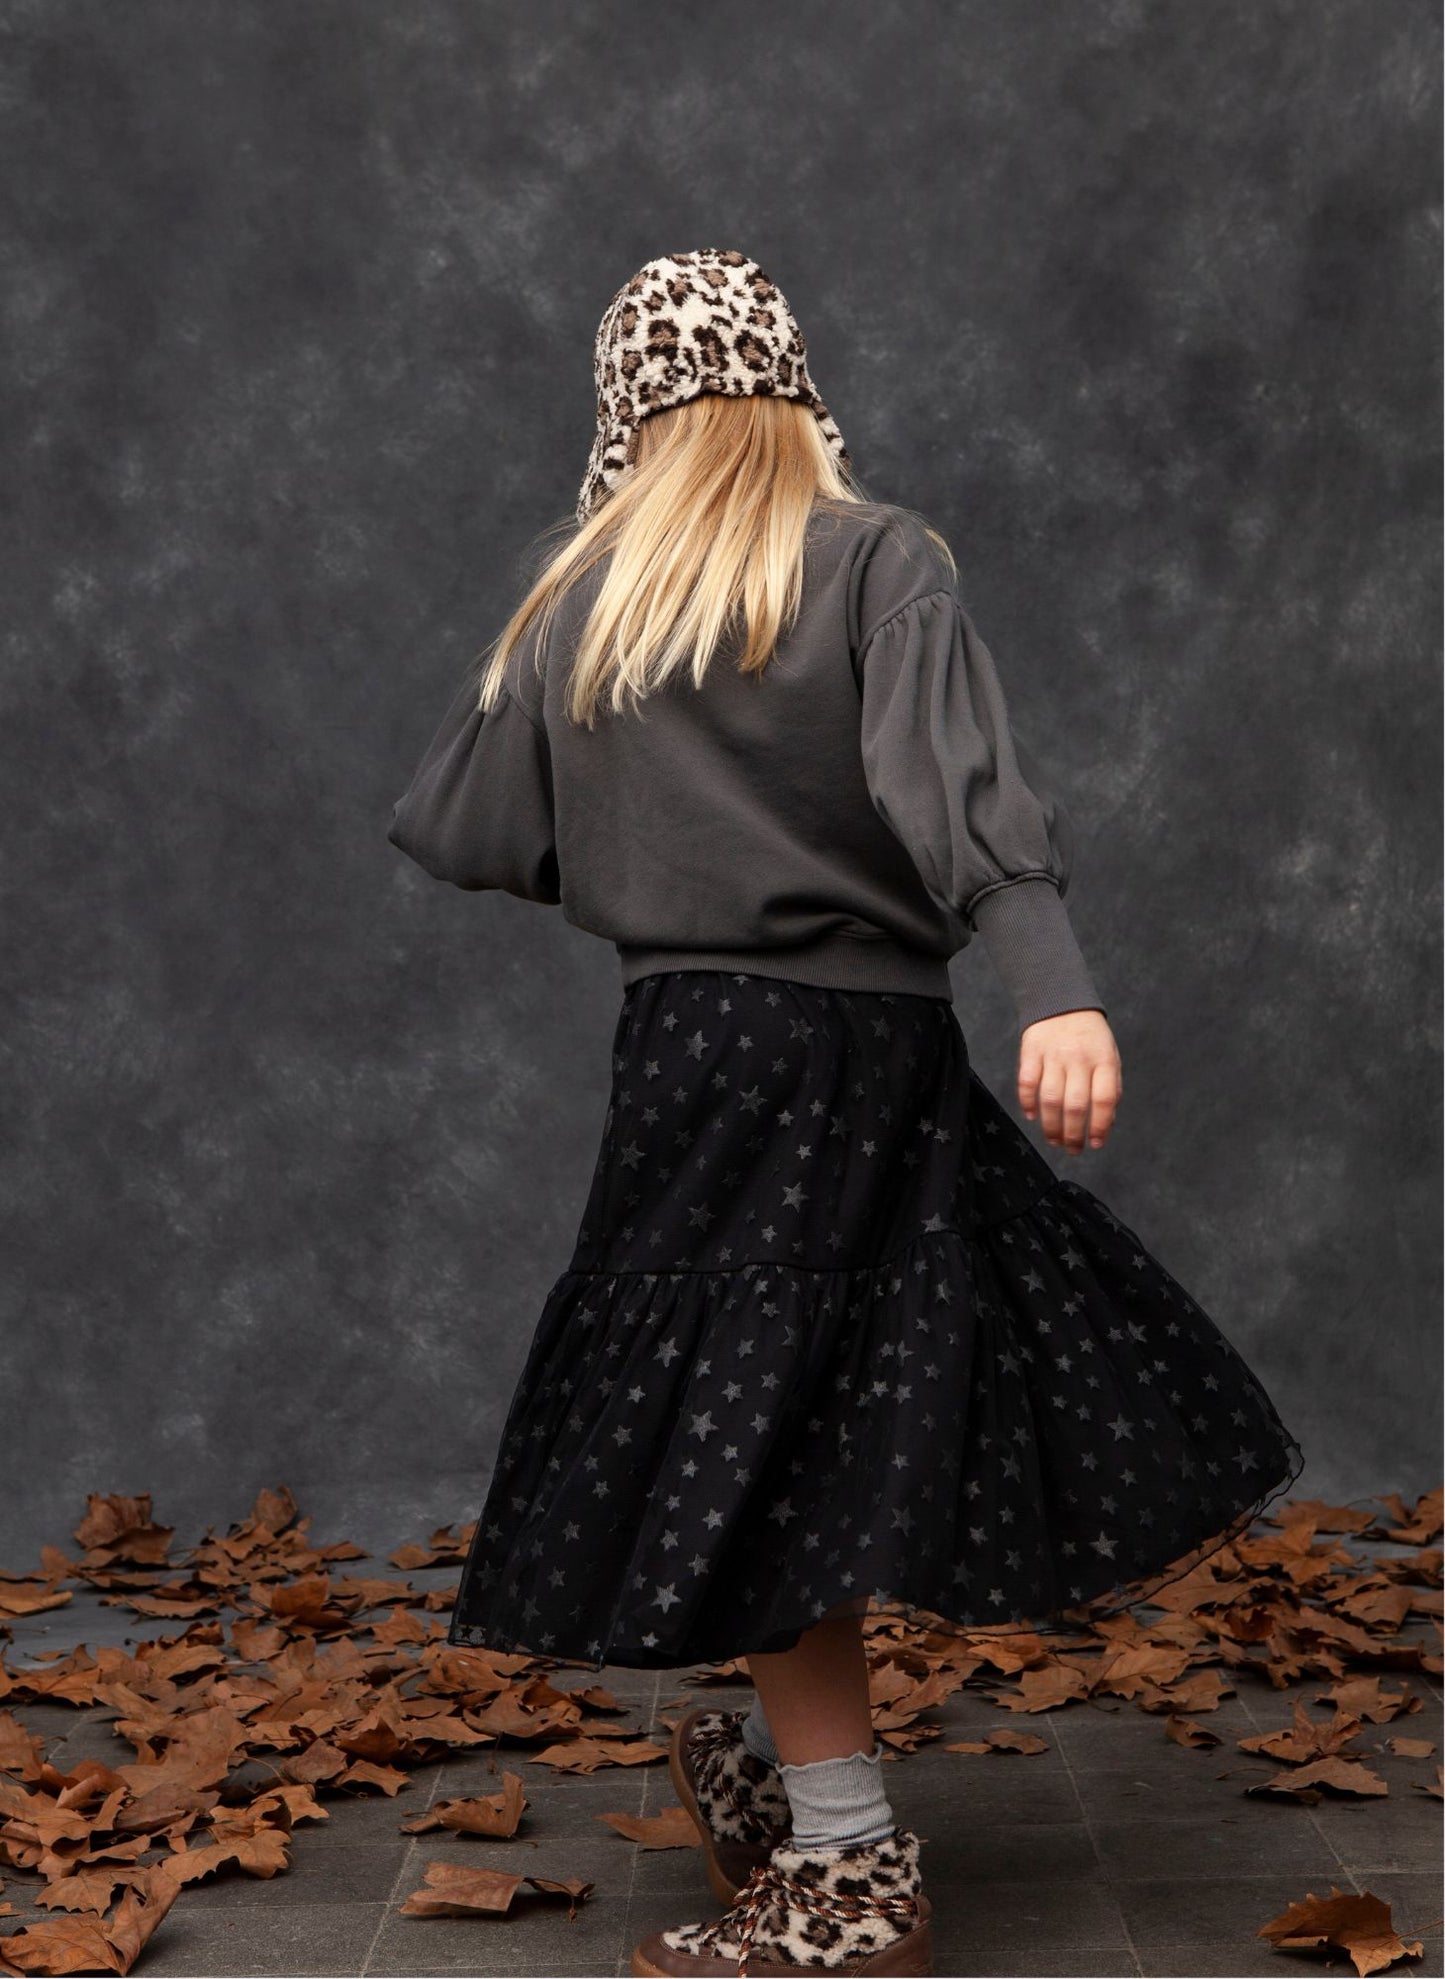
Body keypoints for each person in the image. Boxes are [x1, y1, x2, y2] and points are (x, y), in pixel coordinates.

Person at [387, 248, 1302, 1978]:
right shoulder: (876, 558)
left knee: (759, 1418)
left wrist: (657, 837)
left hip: (696, 1050)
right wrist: (1050, 985)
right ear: (794, 388)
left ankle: (845, 1856)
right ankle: (829, 1816)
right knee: (813, 1410)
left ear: (621, 414)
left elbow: (466, 826)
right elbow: (955, 796)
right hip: (871, 1048)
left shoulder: (589, 600)